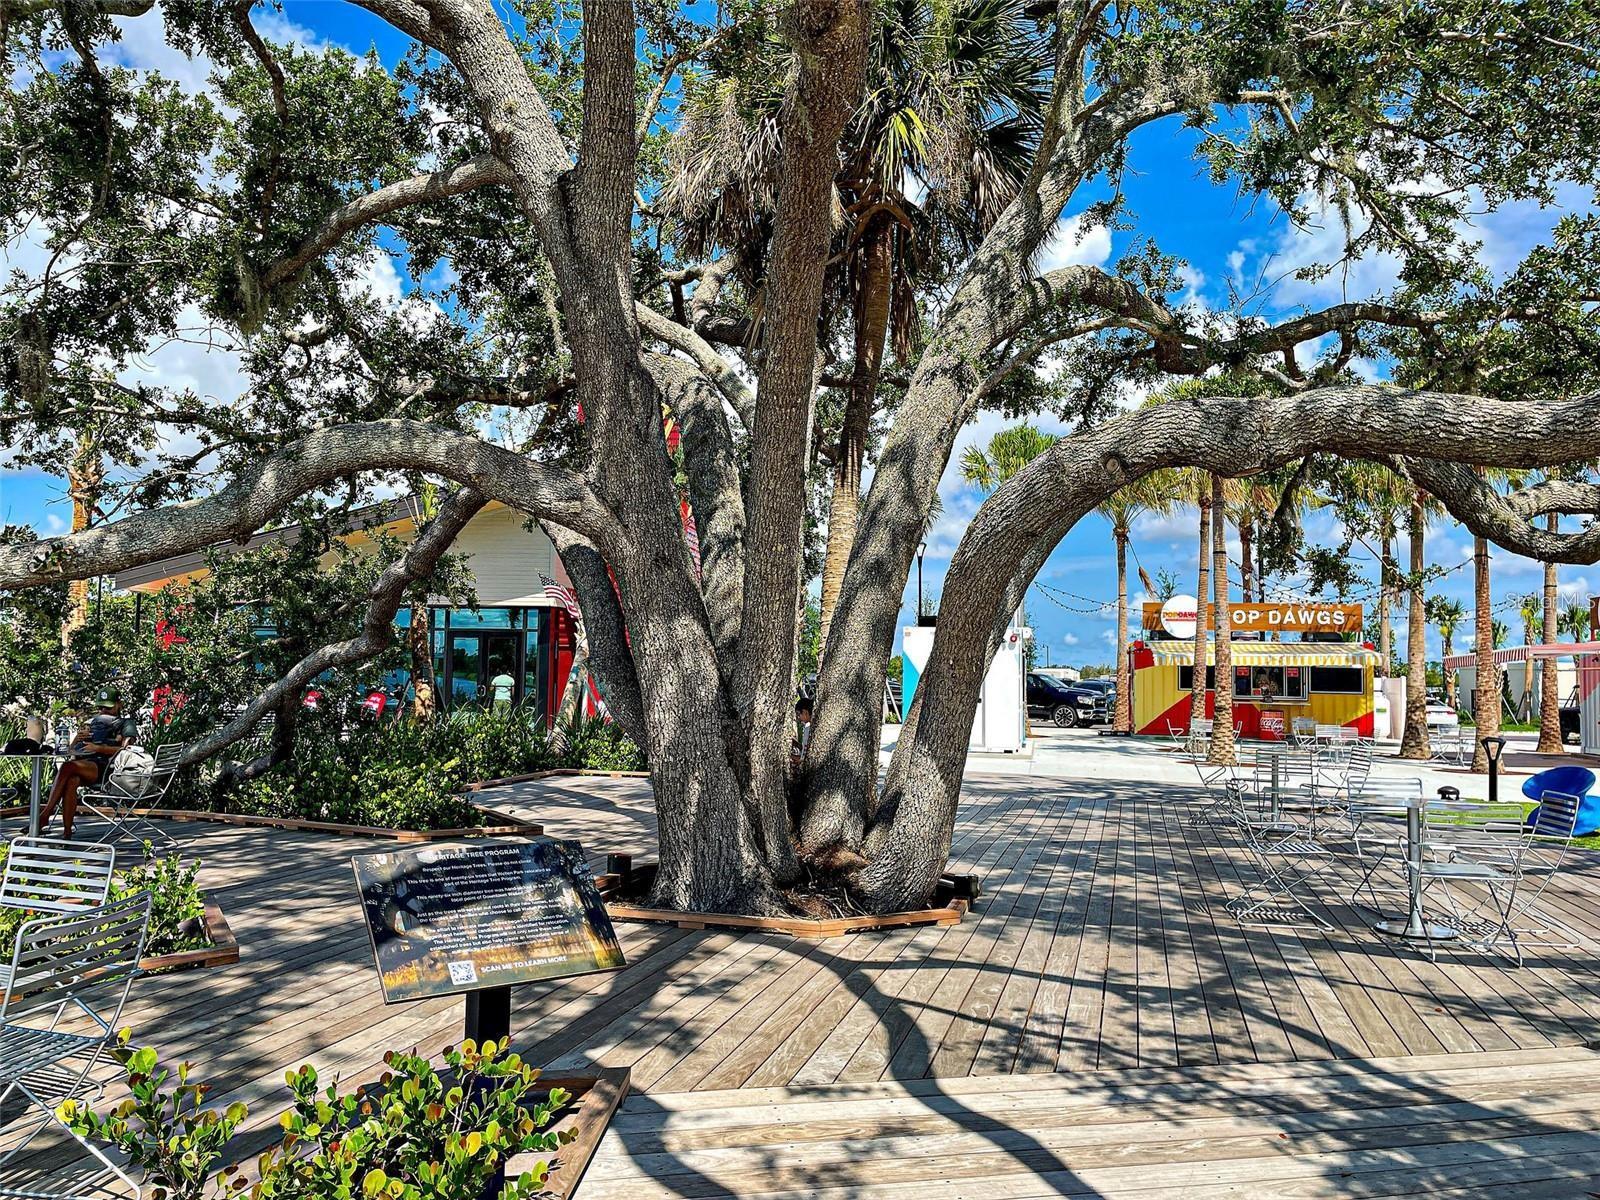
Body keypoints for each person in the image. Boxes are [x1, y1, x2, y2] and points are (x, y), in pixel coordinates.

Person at [40, 689, 129, 840]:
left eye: (108, 707)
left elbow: (127, 748)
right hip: (85, 765)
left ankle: (45, 814)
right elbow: (71, 751)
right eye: (101, 708)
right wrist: (77, 739)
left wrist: (99, 748)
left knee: (67, 767)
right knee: (71, 780)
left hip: (107, 769)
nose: (103, 711)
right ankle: (67, 833)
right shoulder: (91, 723)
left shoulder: (125, 723)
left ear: (119, 704)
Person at [791, 696, 814, 769]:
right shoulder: (809, 727)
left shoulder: (808, 728)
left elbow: (802, 759)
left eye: (798, 714)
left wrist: (788, 756)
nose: (798, 718)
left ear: (805, 712)